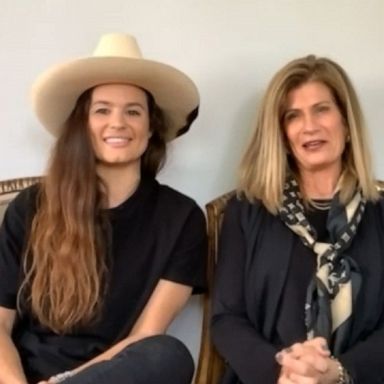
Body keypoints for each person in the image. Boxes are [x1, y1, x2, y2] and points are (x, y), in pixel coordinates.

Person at [0, 33, 206, 384]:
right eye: (102, 110)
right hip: (20, 375)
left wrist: (65, 382)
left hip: (109, 378)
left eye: (133, 111)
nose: (118, 123)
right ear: (82, 124)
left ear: (150, 126)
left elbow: (144, 337)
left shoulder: (182, 218)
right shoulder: (30, 207)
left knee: (167, 354)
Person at [211, 54, 384, 384]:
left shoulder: (380, 213)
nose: (310, 126)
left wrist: (339, 372)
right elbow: (226, 318)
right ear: (283, 136)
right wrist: (282, 373)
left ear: (347, 124)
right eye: (293, 116)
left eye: (322, 109)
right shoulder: (247, 210)